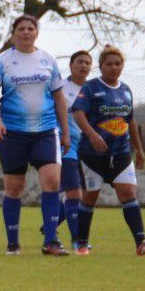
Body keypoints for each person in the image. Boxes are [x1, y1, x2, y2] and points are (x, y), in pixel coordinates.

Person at [0, 14, 71, 256]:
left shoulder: (48, 60)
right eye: (21, 28)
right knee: (14, 187)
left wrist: (65, 132)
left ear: (37, 32)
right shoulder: (3, 61)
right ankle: (13, 243)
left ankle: (51, 241)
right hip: (13, 133)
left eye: (30, 28)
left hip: (45, 131)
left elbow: (59, 97)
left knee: (52, 183)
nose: (26, 32)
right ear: (13, 34)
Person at [72, 45, 145, 256]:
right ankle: (81, 242)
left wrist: (139, 149)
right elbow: (77, 113)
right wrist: (93, 135)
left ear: (122, 66)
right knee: (90, 197)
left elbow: (129, 121)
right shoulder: (91, 87)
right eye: (109, 64)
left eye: (118, 64)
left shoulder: (126, 90)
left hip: (121, 153)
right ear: (101, 66)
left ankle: (142, 243)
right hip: (92, 155)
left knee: (128, 193)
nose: (114, 67)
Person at [54, 50, 92, 251]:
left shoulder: (92, 90)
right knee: (74, 193)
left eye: (87, 62)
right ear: (71, 65)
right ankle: (78, 240)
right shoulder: (61, 88)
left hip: (85, 149)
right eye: (79, 62)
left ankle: (50, 225)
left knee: (83, 194)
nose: (83, 66)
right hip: (65, 146)